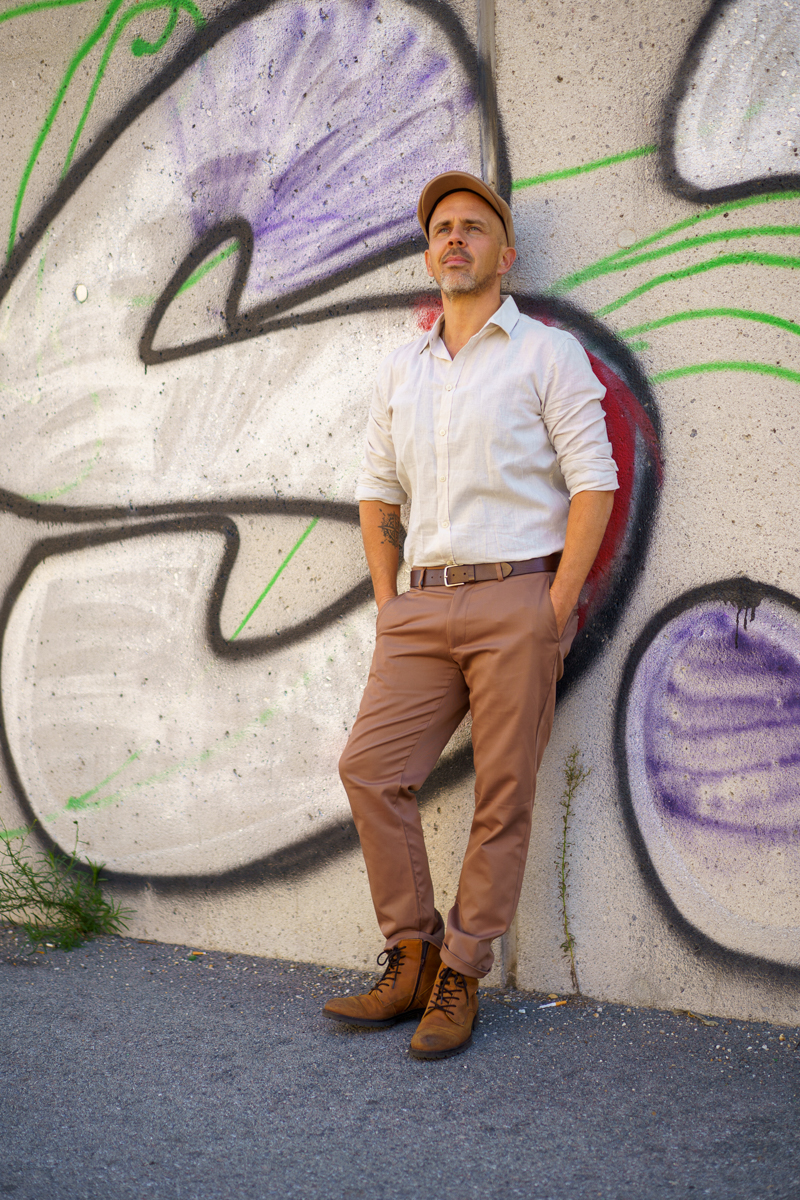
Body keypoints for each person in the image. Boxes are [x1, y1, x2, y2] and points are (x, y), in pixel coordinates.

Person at [323, 170, 617, 1059]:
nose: (455, 237)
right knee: (371, 770)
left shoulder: (546, 354)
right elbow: (377, 493)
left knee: (502, 793)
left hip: (517, 597)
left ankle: (461, 972)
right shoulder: (402, 367)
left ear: (505, 254)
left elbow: (594, 484)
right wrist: (389, 605)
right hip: (420, 603)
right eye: (442, 228)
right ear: (429, 256)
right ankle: (411, 956)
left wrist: (552, 608)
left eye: (473, 227)